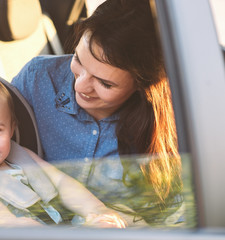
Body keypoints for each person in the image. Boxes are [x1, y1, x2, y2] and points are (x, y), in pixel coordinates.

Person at [11, 0, 183, 226]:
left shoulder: (173, 118)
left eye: (105, 83)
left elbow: (172, 214)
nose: (79, 86)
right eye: (78, 60)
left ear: (142, 85)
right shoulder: (37, 78)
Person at [0, 69, 127, 228]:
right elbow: (6, 223)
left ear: (12, 128)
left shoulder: (20, 155)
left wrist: (96, 211)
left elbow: (61, 182)